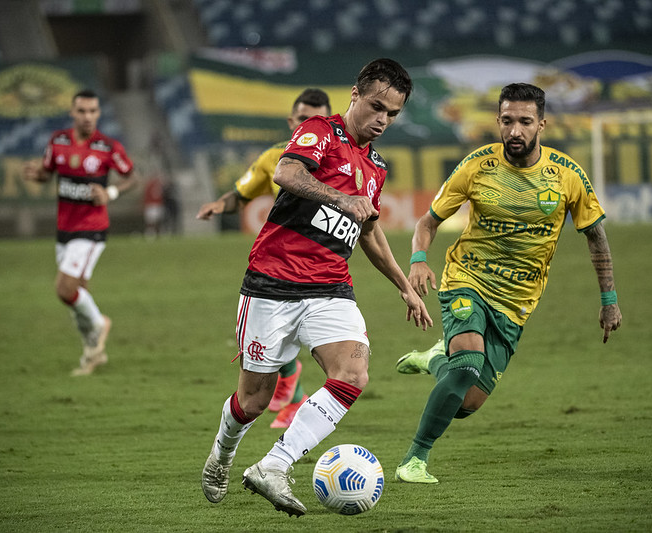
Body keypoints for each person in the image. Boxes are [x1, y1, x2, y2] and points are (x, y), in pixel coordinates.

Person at [201, 58, 433, 516]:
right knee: (254, 400)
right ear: (355, 94)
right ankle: (222, 456)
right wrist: (341, 197)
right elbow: (286, 174)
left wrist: (404, 286)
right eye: (376, 106)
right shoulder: (321, 131)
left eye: (393, 113)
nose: (383, 119)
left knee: (354, 373)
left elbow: (367, 230)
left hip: (330, 286)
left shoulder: (376, 167)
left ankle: (275, 464)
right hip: (272, 282)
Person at [393, 83, 623, 483]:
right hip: (466, 279)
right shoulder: (476, 165)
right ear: (498, 121)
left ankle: (433, 359)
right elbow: (427, 222)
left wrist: (609, 300)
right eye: (507, 121)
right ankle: (414, 460)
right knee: (466, 364)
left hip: (516, 302)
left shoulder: (567, 176)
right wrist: (418, 260)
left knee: (466, 403)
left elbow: (596, 236)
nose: (515, 130)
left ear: (542, 124)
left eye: (525, 121)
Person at [196, 88, 332, 429]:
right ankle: (293, 390)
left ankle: (293, 387)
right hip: (282, 262)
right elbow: (241, 194)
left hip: (324, 262)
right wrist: (220, 204)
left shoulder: (340, 158)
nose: (310, 124)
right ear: (291, 121)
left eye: (319, 118)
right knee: (266, 332)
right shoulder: (275, 158)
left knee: (298, 334)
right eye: (304, 118)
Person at [24, 89, 139, 376]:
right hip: (64, 229)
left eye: (93, 111)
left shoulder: (107, 147)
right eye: (82, 111)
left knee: (65, 289)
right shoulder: (58, 142)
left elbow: (132, 177)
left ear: (98, 114)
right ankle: (92, 353)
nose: (88, 117)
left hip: (91, 229)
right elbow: (47, 172)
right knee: (79, 297)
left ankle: (101, 323)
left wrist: (110, 192)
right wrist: (34, 173)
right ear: (72, 113)